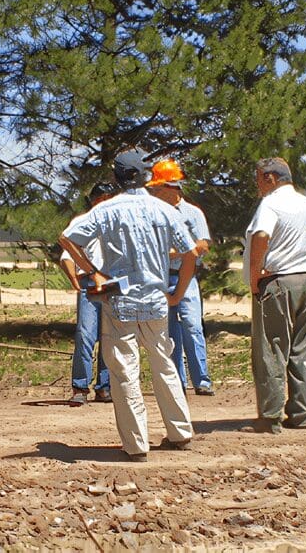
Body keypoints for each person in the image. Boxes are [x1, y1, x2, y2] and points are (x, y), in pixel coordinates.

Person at [60, 149, 198, 461]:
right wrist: (177, 294)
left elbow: (67, 238)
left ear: (117, 178)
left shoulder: (105, 210)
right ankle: (180, 432)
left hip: (119, 301)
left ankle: (136, 444)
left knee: (124, 371)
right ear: (145, 176)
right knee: (164, 364)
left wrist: (93, 272)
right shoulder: (164, 210)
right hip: (156, 300)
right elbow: (190, 253)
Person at [242, 157, 306, 433]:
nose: (258, 185)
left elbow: (261, 235)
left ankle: (270, 417)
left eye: (259, 178)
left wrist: (255, 274)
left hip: (277, 282)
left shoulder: (271, 203)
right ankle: (301, 414)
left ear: (271, 178)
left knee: (271, 349)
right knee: (300, 349)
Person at [145, 159, 214, 396]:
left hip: (187, 277)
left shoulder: (193, 213)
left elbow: (203, 245)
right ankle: (178, 382)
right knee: (169, 331)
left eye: (157, 188)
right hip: (161, 278)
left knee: (193, 326)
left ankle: (202, 381)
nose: (154, 192)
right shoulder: (153, 214)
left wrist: (178, 252)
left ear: (171, 188)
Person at [57, 182, 117, 405]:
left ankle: (104, 386)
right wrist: (75, 280)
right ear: (95, 200)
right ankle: (80, 386)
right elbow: (66, 255)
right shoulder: (82, 223)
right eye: (103, 198)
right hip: (89, 283)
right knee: (86, 334)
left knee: (109, 337)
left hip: (111, 284)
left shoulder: (116, 224)